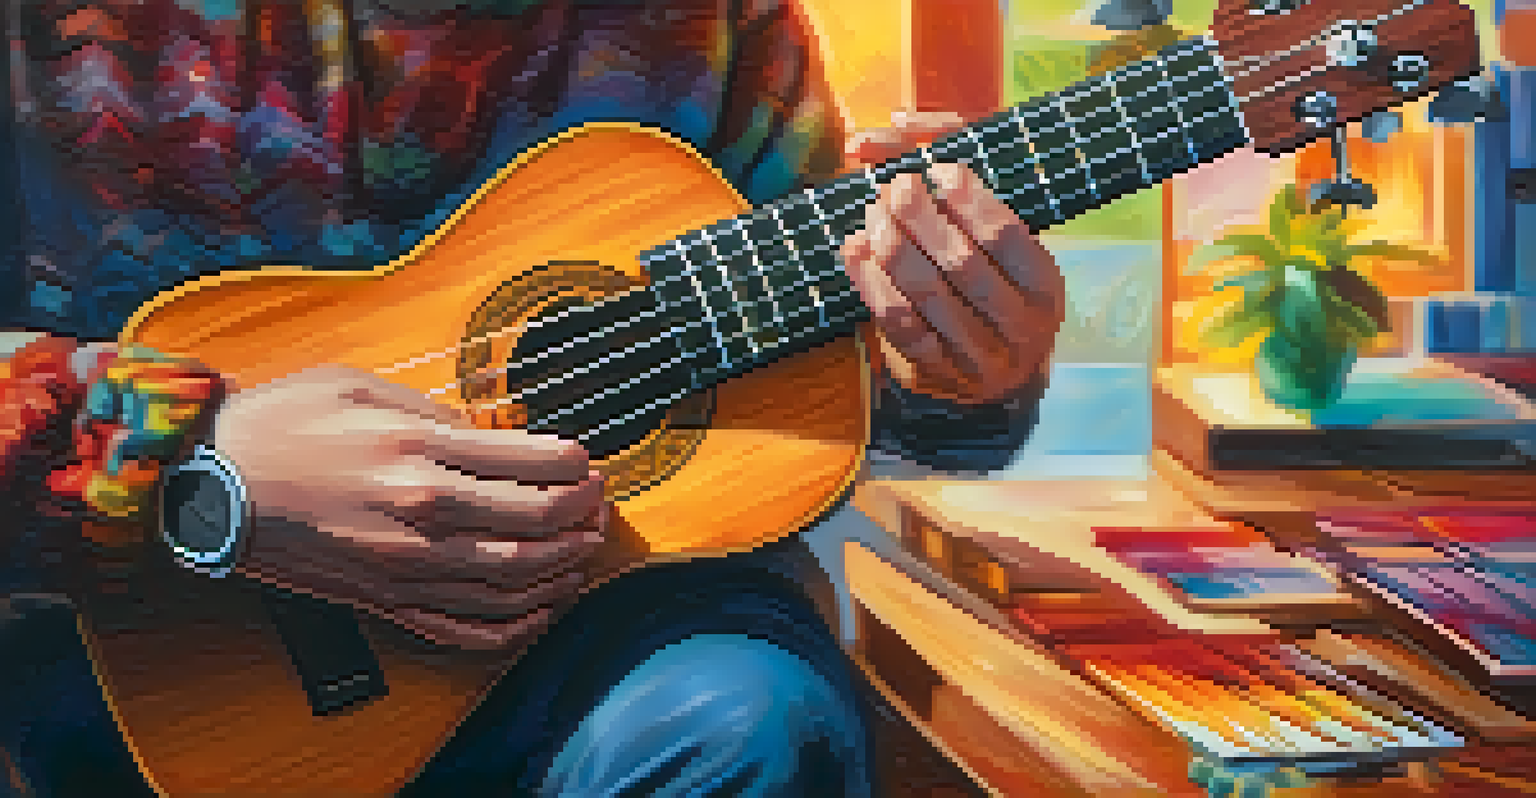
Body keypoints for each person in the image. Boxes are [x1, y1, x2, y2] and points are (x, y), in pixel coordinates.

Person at [0, 0, 1065, 795]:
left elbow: (816, 384)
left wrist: (952, 369)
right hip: (161, 657)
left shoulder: (716, 22)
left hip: (620, 641)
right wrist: (193, 472)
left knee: (757, 725)